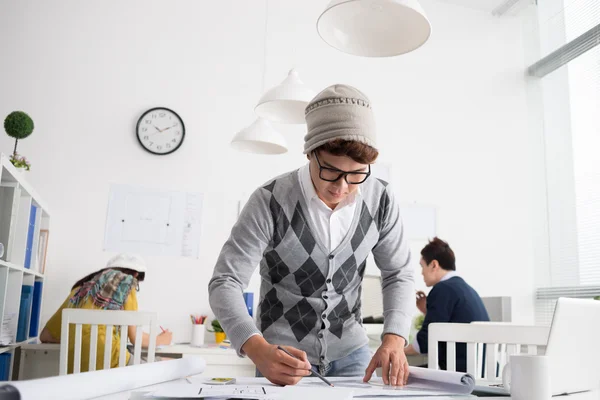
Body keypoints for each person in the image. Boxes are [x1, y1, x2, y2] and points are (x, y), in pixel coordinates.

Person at [209, 84, 414, 387]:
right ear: (310, 153)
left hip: (353, 356)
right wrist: (256, 348)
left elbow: (398, 272)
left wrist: (394, 338)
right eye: (330, 171)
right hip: (282, 359)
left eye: (357, 174)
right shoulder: (271, 201)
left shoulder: (380, 199)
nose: (342, 187)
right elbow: (225, 281)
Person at [40, 253, 172, 373]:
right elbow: (135, 338)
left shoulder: (80, 290)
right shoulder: (126, 284)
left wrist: (80, 339)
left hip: (76, 372)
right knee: (171, 364)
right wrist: (162, 339)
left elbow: (45, 336)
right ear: (135, 275)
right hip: (113, 364)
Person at [404, 237, 489, 372]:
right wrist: (428, 310)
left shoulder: (442, 289)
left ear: (434, 265)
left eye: (422, 266)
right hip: (483, 370)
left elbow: (424, 343)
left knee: (401, 374)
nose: (421, 272)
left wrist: (396, 349)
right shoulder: (464, 288)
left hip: (462, 372)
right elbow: (451, 322)